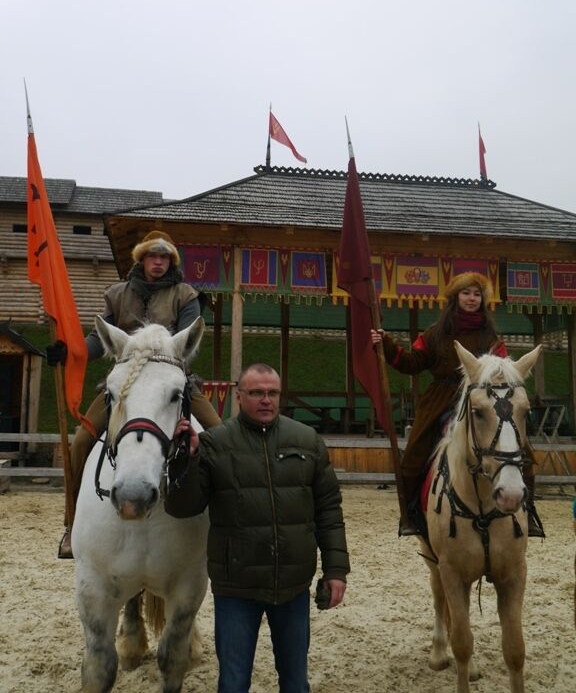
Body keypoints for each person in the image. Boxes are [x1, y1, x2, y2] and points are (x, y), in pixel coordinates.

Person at [166, 362, 350, 693]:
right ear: (239, 396)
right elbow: (182, 507)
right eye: (256, 393)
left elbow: (329, 510)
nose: (266, 400)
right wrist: (186, 460)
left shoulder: (307, 440)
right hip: (237, 589)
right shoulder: (213, 444)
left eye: (272, 393)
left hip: (293, 586)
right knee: (234, 683)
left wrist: (336, 570)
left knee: (296, 683)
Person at [48, 230, 221, 559]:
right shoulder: (116, 293)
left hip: (171, 374)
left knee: (220, 433)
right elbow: (99, 342)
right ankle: (71, 523)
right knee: (81, 442)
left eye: (165, 257)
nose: (159, 262)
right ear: (141, 260)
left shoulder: (186, 294)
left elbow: (187, 340)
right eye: (153, 256)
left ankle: (227, 518)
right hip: (127, 379)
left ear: (171, 261)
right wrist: (70, 351)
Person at [371, 271, 544, 538]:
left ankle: (528, 513)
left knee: (524, 456)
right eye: (466, 293)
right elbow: (412, 364)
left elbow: (502, 371)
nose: (472, 298)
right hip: (442, 401)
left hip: (484, 402)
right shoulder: (434, 334)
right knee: (412, 461)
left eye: (477, 294)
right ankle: (412, 516)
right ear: (455, 297)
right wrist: (387, 345)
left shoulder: (492, 337)